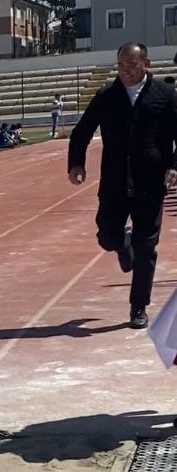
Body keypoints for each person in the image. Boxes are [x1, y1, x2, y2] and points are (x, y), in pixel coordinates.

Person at [68, 42, 177, 329]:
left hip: (150, 183)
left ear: (146, 64)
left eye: (132, 65)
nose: (125, 71)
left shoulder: (164, 95)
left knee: (146, 248)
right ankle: (121, 243)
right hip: (114, 183)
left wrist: (174, 166)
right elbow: (82, 131)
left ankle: (138, 305)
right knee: (108, 238)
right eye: (121, 65)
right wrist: (76, 163)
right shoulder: (107, 95)